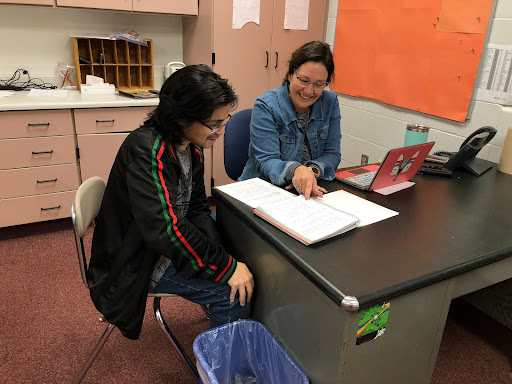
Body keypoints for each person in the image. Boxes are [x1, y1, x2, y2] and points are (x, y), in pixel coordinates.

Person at [87, 65, 254, 340]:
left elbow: (197, 206)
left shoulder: (191, 146)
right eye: (214, 124)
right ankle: (222, 372)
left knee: (239, 252)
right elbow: (166, 228)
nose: (220, 132)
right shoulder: (147, 150)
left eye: (224, 121)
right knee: (233, 292)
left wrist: (221, 252)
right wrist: (225, 267)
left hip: (159, 241)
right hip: (137, 260)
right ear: (180, 118)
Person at [239, 41, 341, 199]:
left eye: (319, 84)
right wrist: (296, 171)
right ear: (290, 74)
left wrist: (309, 172)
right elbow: (266, 161)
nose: (309, 91)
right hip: (263, 190)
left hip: (303, 192)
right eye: (304, 80)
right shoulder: (266, 105)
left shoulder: (330, 102)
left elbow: (332, 154)